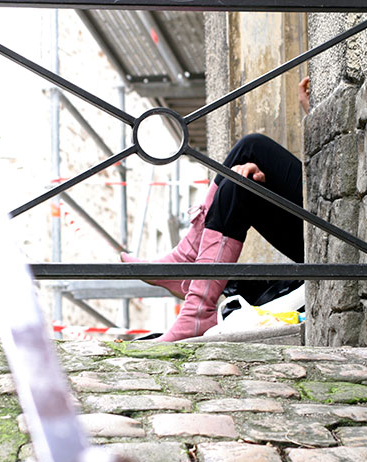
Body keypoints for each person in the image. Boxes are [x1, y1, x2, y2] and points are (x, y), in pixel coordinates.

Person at [122, 77, 312, 342]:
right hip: (319, 227)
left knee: (252, 147)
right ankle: (196, 304)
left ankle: (188, 264)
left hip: (341, 234)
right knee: (237, 185)